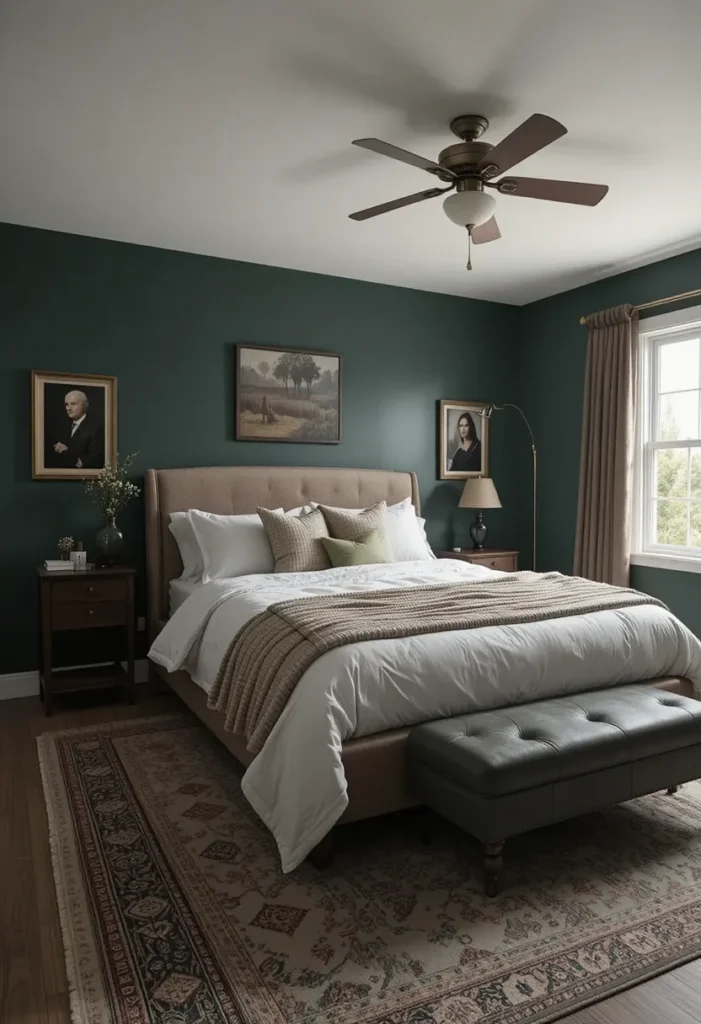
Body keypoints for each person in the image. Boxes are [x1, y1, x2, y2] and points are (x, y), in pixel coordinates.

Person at [51, 390, 104, 470]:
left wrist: (65, 452)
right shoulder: (62, 426)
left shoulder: (95, 428)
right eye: (66, 404)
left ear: (85, 406)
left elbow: (94, 461)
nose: (68, 408)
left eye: (73, 404)